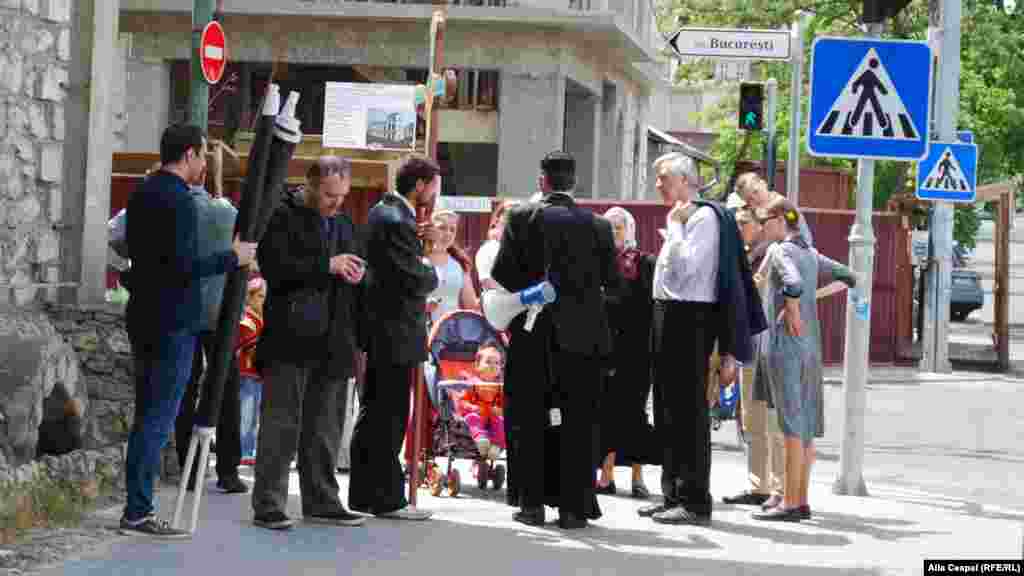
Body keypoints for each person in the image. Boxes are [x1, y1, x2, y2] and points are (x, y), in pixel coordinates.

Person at [120, 124, 256, 538]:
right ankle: (138, 511)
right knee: (157, 419)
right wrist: (231, 257)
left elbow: (132, 252)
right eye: (201, 156)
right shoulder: (179, 200)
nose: (203, 165)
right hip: (172, 319)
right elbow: (181, 267)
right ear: (191, 154)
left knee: (148, 415)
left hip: (144, 314)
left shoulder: (143, 192)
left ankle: (136, 506)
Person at [491, 151, 619, 529]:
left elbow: (505, 276)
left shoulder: (521, 217)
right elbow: (612, 282)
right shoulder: (599, 226)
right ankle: (573, 508)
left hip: (535, 334)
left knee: (530, 418)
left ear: (542, 181)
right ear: (573, 183)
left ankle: (531, 504)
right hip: (583, 340)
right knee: (578, 422)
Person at [639, 152, 765, 526]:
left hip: (689, 318)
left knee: (688, 413)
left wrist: (675, 228)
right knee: (665, 409)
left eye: (663, 177)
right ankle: (672, 494)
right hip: (668, 314)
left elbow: (688, 267)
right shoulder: (682, 216)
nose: (658, 185)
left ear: (684, 180)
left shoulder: (702, 217)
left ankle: (694, 501)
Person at [251, 156, 367, 530]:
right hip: (290, 338)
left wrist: (357, 272)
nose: (337, 203)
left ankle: (322, 500)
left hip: (335, 339)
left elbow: (354, 265)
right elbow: (275, 269)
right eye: (331, 195)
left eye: (343, 195)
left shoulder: (344, 222)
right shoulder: (281, 216)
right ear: (312, 185)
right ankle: (269, 504)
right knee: (280, 426)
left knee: (325, 429)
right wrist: (327, 265)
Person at [751, 196, 856, 522]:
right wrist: (810, 299)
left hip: (785, 347)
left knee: (790, 426)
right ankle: (802, 500)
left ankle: (790, 504)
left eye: (765, 221)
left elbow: (793, 284)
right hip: (811, 348)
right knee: (805, 425)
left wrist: (792, 308)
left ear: (781, 220)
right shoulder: (811, 253)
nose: (762, 227)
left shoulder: (780, 251)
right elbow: (849, 276)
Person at [348, 154, 441, 521]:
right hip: (395, 331)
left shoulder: (386, 213)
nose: (434, 194)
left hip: (384, 330)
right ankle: (387, 499)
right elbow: (414, 277)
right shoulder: (397, 219)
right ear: (419, 185)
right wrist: (431, 260)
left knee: (375, 412)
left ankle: (364, 495)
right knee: (389, 415)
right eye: (433, 186)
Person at [173, 162, 247, 495]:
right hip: (220, 314)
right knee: (225, 389)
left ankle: (188, 470)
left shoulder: (172, 207)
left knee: (185, 389)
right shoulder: (226, 212)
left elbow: (117, 234)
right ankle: (228, 471)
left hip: (182, 311)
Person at [721, 206, 787, 510]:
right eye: (736, 223)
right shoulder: (744, 255)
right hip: (749, 345)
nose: (739, 228)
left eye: (744, 222)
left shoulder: (774, 252)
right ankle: (758, 486)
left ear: (760, 225)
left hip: (771, 347)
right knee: (751, 420)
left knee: (773, 422)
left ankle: (780, 489)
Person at [595, 206, 656, 499]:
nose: (613, 233)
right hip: (605, 349)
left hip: (637, 351)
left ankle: (637, 476)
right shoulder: (597, 262)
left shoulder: (644, 262)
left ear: (629, 230)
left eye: (618, 227)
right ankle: (605, 475)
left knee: (635, 413)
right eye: (609, 227)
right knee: (605, 412)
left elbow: (650, 307)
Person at [452, 342, 506, 476]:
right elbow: (462, 401)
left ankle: (496, 447)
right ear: (477, 365)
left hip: (492, 417)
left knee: (502, 421)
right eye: (488, 362)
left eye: (497, 363)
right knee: (473, 418)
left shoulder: (500, 386)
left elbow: (502, 404)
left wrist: (500, 409)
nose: (493, 366)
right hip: (477, 415)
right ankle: (481, 439)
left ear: (501, 367)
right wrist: (471, 407)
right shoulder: (472, 383)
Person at [426, 210, 480, 323]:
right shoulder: (418, 259)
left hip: (451, 331)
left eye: (452, 229)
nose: (448, 233)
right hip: (421, 329)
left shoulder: (459, 263)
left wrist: (488, 300)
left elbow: (471, 306)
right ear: (430, 229)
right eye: (442, 228)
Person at [237, 276, 266, 466]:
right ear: (250, 297)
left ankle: (248, 448)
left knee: (254, 414)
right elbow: (249, 344)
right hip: (247, 374)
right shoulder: (247, 319)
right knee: (246, 413)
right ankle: (243, 449)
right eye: (260, 297)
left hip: (257, 375)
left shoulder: (261, 319)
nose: (263, 301)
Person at [475, 200, 519, 291]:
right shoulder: (488, 249)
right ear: (497, 220)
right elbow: (487, 281)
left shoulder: (524, 249)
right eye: (508, 216)